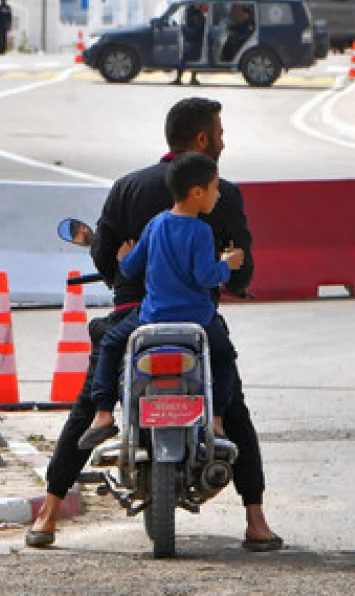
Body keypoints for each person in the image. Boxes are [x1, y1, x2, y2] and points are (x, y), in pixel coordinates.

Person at [26, 97, 282, 553]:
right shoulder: (220, 196)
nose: (224, 142)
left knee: (88, 403)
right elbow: (240, 273)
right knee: (232, 402)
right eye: (219, 134)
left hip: (137, 318)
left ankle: (47, 515)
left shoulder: (127, 188)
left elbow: (110, 260)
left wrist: (126, 272)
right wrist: (229, 272)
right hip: (197, 324)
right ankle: (256, 521)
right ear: (202, 140)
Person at [79, 152, 245, 450]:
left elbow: (130, 269)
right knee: (224, 356)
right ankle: (218, 419)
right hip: (198, 320)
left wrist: (123, 257)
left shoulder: (156, 225)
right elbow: (206, 276)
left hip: (151, 317)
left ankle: (103, 414)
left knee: (112, 344)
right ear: (197, 193)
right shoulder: (201, 231)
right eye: (214, 188)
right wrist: (227, 264)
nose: (218, 195)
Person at [176, 3, 206, 86]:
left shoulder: (199, 22)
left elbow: (192, 34)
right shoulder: (196, 21)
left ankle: (180, 78)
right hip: (194, 44)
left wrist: (184, 30)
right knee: (186, 54)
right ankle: (191, 78)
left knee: (184, 56)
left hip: (196, 44)